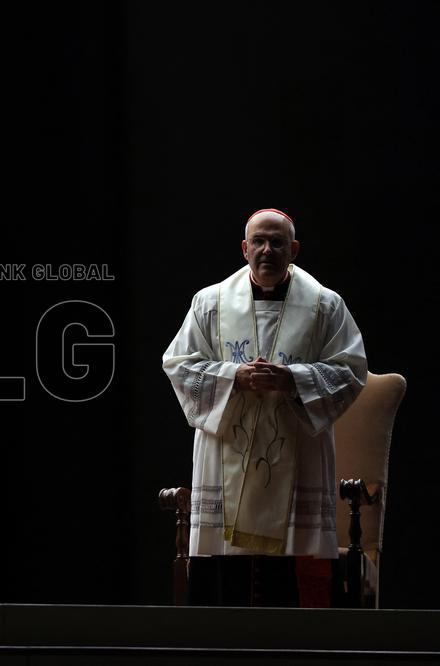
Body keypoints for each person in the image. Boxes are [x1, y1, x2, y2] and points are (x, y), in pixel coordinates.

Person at [161, 208, 367, 607]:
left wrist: (292, 379)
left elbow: (350, 371)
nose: (267, 250)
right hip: (227, 456)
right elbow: (178, 365)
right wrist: (233, 377)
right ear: (244, 248)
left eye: (277, 242)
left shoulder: (325, 305)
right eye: (258, 241)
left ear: (294, 249)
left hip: (298, 452)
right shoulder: (210, 303)